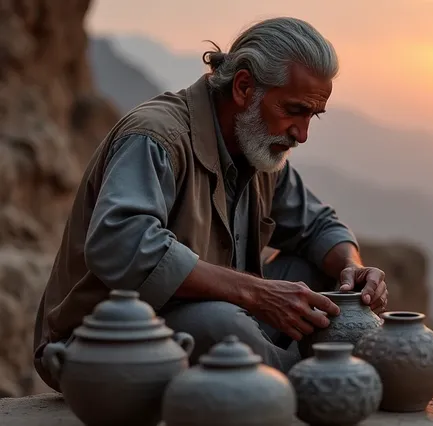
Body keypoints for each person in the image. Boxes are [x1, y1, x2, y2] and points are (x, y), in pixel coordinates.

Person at [33, 17, 389, 391]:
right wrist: (255, 292)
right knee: (224, 327)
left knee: (325, 280)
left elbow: (320, 226)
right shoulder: (155, 137)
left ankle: (293, 376)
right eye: (293, 110)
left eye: (311, 116)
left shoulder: (261, 150)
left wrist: (354, 270)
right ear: (243, 87)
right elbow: (121, 244)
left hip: (211, 314)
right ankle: (308, 387)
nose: (302, 134)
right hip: (104, 343)